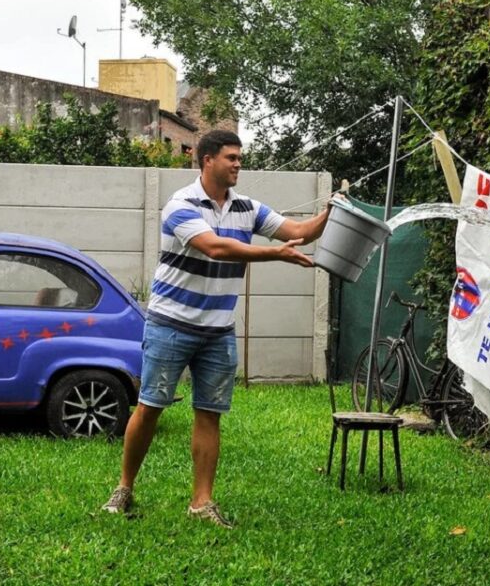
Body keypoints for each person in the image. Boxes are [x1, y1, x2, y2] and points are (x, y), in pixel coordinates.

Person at [102, 129, 332, 528]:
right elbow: (215, 247)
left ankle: (201, 502)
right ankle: (124, 488)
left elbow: (299, 232)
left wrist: (332, 212)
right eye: (231, 157)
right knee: (151, 407)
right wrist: (274, 254)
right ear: (207, 160)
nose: (238, 163)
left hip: (218, 331)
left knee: (209, 415)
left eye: (240, 157)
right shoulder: (181, 204)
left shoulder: (247, 208)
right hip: (170, 323)